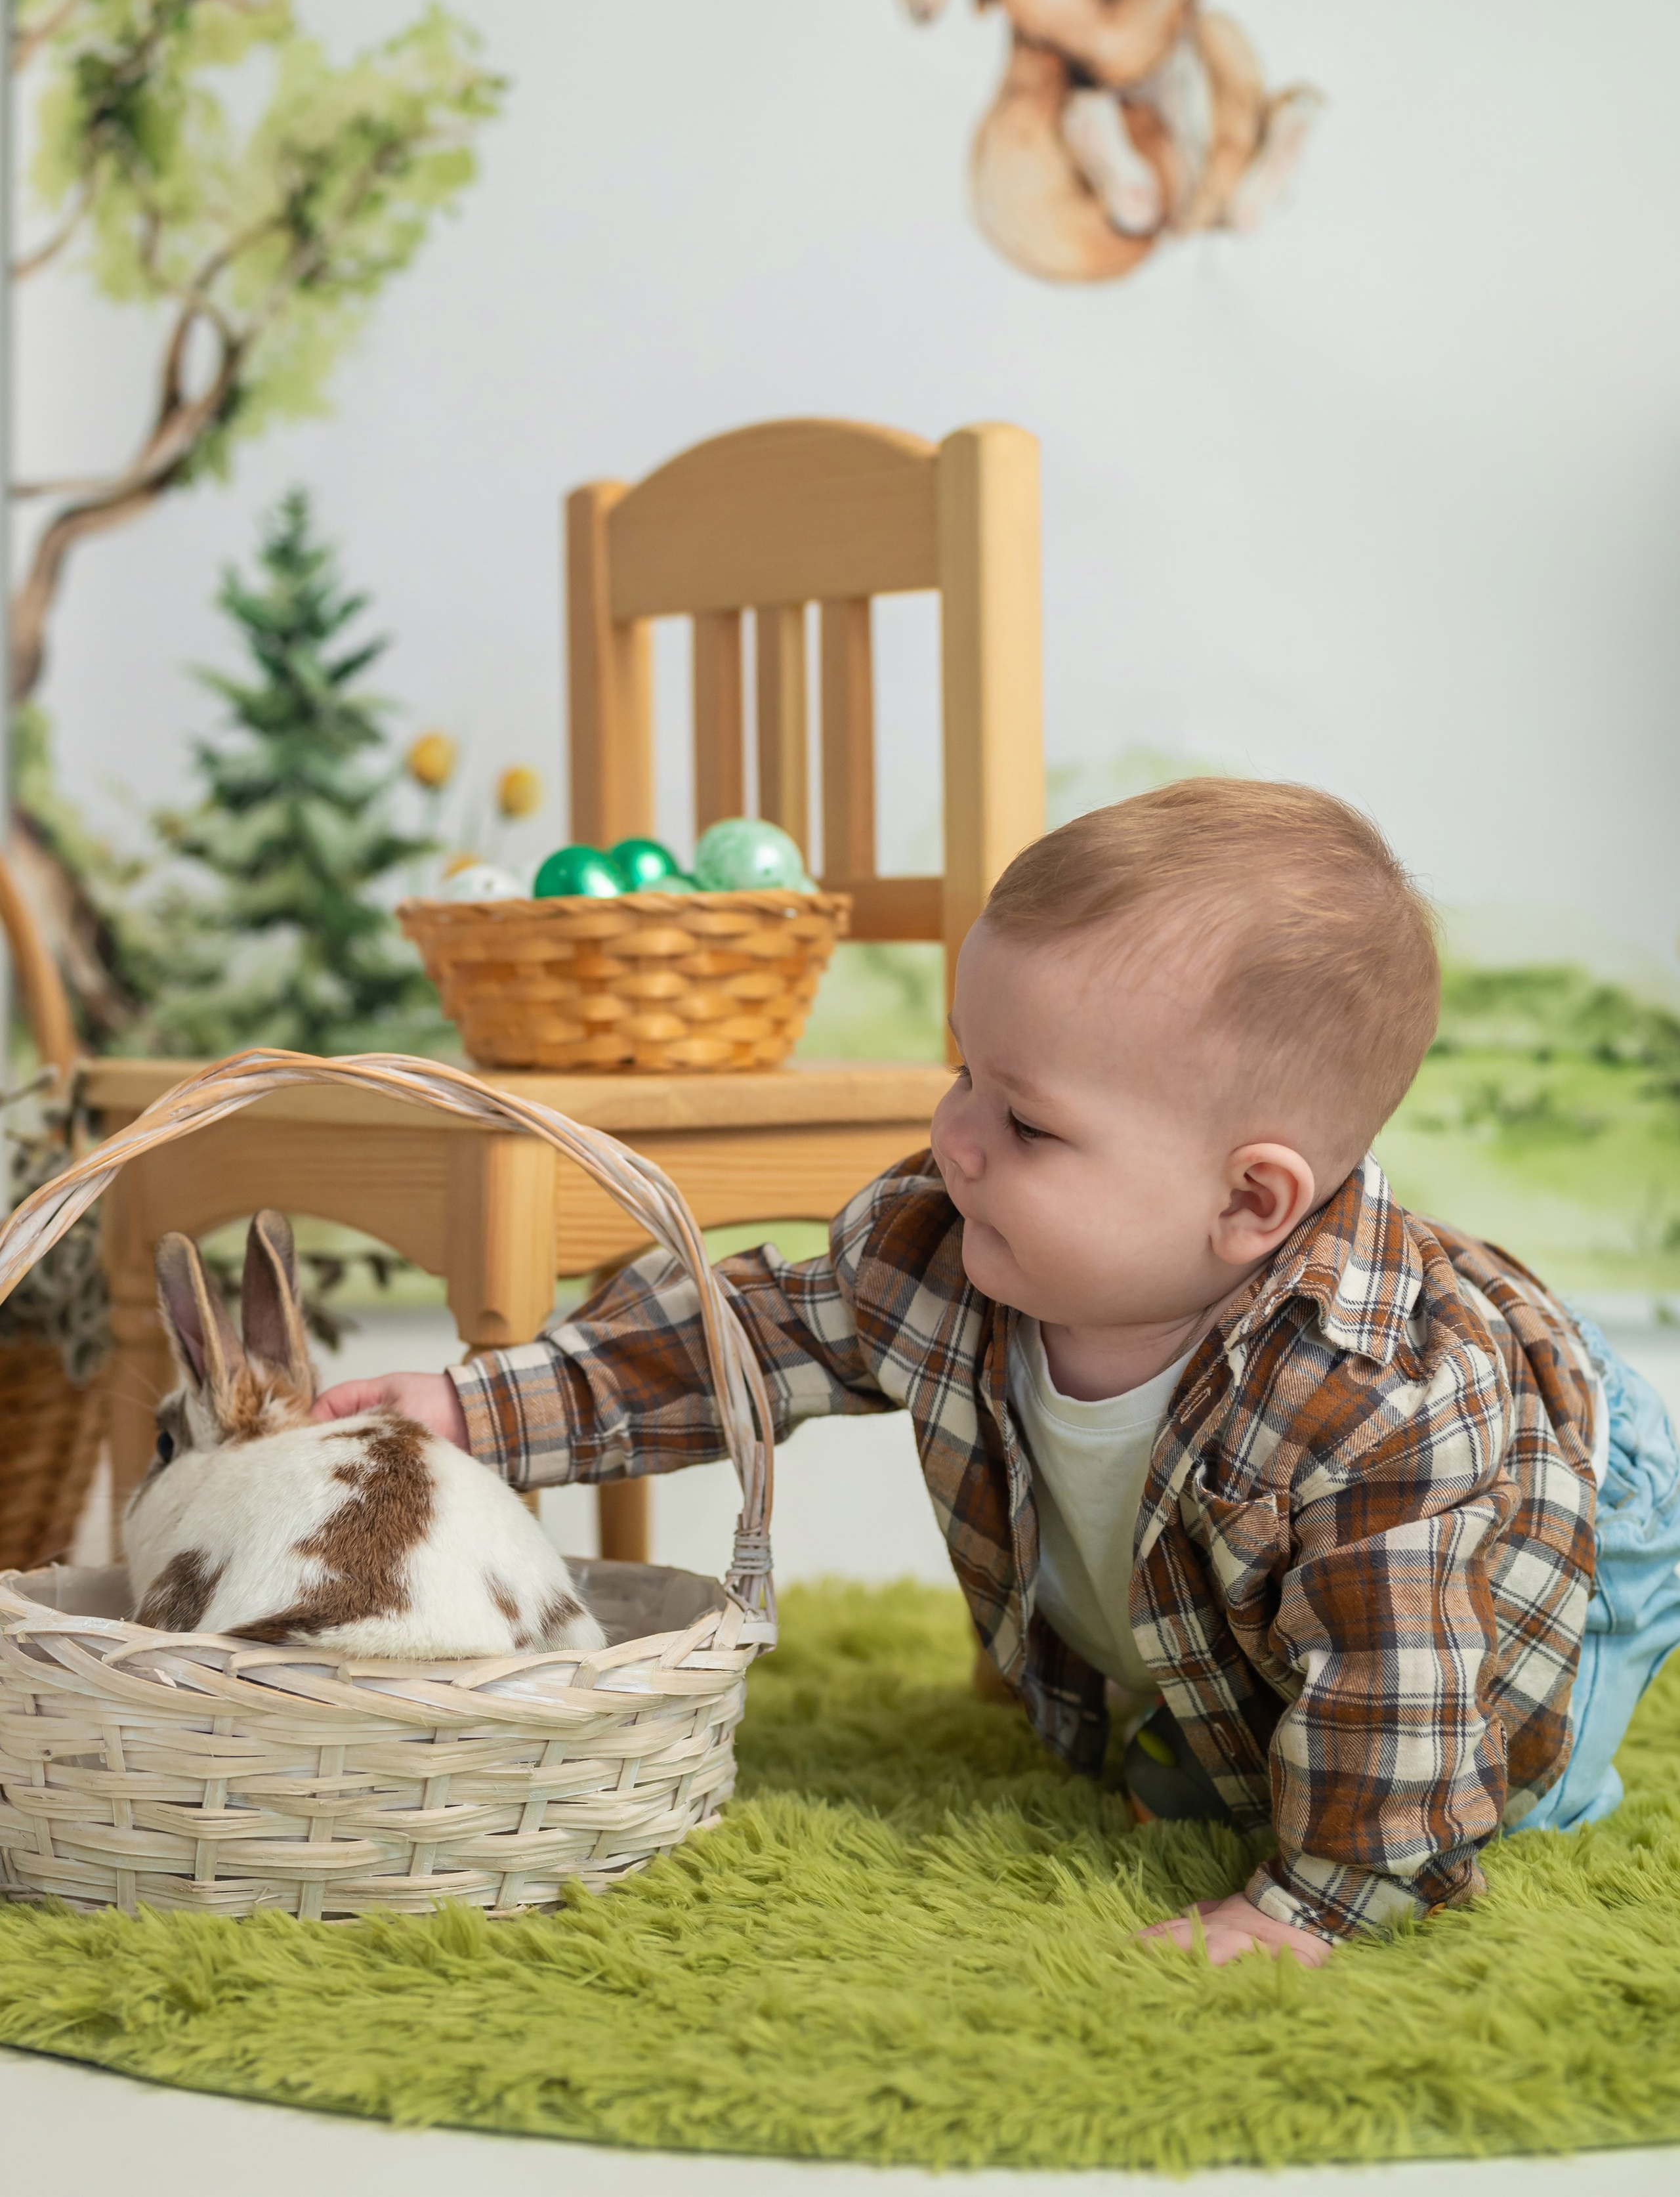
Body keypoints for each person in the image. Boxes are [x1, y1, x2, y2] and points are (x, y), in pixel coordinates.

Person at [319, 781, 1680, 1963]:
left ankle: (1512, 1753)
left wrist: (1313, 1907)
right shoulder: (949, 1244)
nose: (950, 1134)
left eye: (1022, 1118)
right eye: (964, 1070)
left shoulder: (1372, 1410)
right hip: (1297, 1515)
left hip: (1562, 1493)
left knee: (1490, 1758)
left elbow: (1399, 1684)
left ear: (1250, 1202)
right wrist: (468, 1408)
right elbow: (733, 1340)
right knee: (1221, 1702)